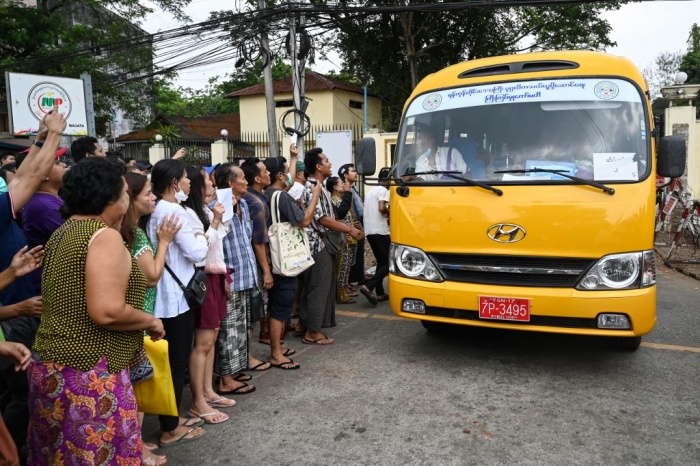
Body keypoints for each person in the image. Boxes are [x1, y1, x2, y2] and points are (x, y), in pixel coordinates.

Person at [27, 157, 166, 463]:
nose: (128, 199)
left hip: (53, 368)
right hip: (90, 373)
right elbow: (107, 312)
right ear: (108, 196)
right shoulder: (104, 237)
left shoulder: (64, 232)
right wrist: (150, 320)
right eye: (125, 192)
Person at [0, 106, 65, 461]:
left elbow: (20, 179)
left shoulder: (7, 205)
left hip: (16, 308)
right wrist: (53, 134)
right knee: (25, 395)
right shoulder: (36, 204)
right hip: (15, 313)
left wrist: (42, 138)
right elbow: (25, 181)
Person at [120, 172, 181, 465]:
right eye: (146, 193)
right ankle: (138, 450)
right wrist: (165, 242)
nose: (153, 197)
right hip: (141, 315)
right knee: (136, 386)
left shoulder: (125, 230)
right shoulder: (137, 234)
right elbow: (152, 277)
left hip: (136, 315)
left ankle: (137, 445)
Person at [147, 158, 208, 448]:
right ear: (174, 184)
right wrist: (203, 235)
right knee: (175, 363)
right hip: (175, 300)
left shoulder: (155, 209)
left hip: (163, 296)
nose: (188, 184)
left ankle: (169, 420)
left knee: (170, 363)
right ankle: (169, 427)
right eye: (185, 179)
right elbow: (197, 252)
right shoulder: (173, 210)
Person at [182, 166, 233, 424]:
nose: (213, 185)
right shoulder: (189, 213)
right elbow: (201, 249)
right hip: (202, 276)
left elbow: (219, 242)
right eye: (208, 182)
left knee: (211, 336)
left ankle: (208, 391)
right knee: (202, 341)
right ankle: (197, 402)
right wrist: (214, 220)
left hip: (214, 274)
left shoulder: (202, 209)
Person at [298, 148, 363, 345]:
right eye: (326, 160)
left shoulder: (317, 186)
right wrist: (349, 230)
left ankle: (307, 324)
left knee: (314, 286)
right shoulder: (313, 188)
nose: (330, 163)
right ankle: (312, 332)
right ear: (318, 166)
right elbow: (324, 219)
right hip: (317, 244)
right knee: (319, 286)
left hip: (319, 243)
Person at [263, 152, 321, 369]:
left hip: (271, 256)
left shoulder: (267, 194)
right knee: (281, 305)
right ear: (280, 175)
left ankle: (277, 346)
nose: (290, 176)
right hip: (284, 259)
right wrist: (315, 194)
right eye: (286, 171)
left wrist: (292, 157)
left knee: (276, 304)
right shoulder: (283, 197)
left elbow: (284, 185)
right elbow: (305, 220)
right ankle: (276, 353)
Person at [213, 163, 257, 394]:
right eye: (242, 178)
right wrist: (222, 276)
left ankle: (235, 369)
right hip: (229, 277)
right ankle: (225, 379)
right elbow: (215, 245)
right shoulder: (217, 208)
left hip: (244, 275)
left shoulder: (243, 205)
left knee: (241, 327)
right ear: (230, 183)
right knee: (228, 331)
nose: (247, 181)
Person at [240, 158, 273, 370]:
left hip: (255, 264)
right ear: (257, 178)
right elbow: (258, 241)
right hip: (255, 265)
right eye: (265, 170)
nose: (269, 172)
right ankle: (247, 357)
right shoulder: (255, 202)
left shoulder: (258, 197)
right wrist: (266, 270)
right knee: (252, 313)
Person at [21, 147, 67, 294]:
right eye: (57, 163)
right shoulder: (44, 206)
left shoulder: (48, 199)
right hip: (51, 286)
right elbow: (78, 236)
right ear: (44, 174)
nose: (63, 165)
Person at [359, 167, 391, 305]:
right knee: (389, 263)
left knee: (381, 261)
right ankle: (369, 286)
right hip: (380, 231)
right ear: (389, 180)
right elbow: (382, 208)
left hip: (370, 231)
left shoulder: (371, 191)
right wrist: (391, 212)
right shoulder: (383, 190)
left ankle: (380, 293)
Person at [325, 176, 357, 304]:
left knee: (345, 265)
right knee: (343, 267)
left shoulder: (339, 200)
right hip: (344, 239)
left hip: (347, 238)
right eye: (341, 183)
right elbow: (341, 218)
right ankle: (341, 294)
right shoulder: (336, 201)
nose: (344, 184)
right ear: (335, 187)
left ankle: (344, 291)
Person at [339, 163, 365, 291]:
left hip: (357, 222)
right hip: (352, 224)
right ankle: (347, 283)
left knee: (355, 254)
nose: (356, 173)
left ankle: (352, 280)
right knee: (348, 257)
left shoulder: (353, 188)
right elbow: (350, 208)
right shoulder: (346, 190)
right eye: (353, 171)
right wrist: (355, 224)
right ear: (345, 175)